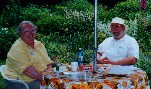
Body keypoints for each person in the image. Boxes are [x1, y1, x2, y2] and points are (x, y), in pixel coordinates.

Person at [4, 21, 54, 89]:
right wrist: (47, 79)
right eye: (27, 31)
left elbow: (48, 63)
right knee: (53, 86)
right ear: (20, 33)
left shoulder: (39, 44)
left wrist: (50, 74)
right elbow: (28, 71)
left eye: (33, 30)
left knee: (63, 82)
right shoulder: (17, 48)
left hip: (39, 77)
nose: (31, 33)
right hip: (21, 82)